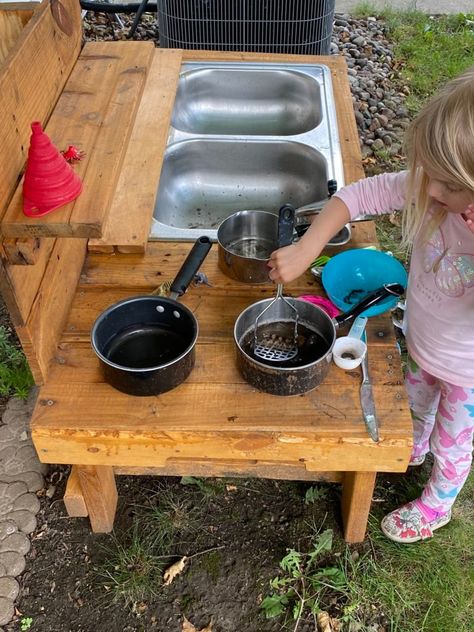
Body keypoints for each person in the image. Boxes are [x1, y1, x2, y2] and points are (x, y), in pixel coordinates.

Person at [268, 66, 474, 544]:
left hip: (468, 370)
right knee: (416, 404)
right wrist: (305, 248)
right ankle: (414, 446)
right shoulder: (433, 189)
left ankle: (438, 503)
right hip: (425, 343)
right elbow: (359, 195)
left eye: (447, 184)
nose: (430, 191)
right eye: (429, 176)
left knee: (455, 442)